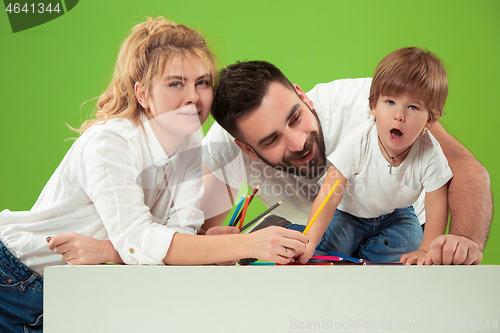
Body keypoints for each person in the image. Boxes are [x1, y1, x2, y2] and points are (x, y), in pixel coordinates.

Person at [0, 18, 307, 332]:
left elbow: (178, 234)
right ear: (143, 94)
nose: (194, 97)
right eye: (176, 84)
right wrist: (247, 245)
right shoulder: (110, 143)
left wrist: (113, 250)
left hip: (76, 288)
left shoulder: (188, 137)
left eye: (202, 82)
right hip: (14, 277)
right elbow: (138, 242)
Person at [202, 59, 491, 266]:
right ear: (246, 149)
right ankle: (292, 233)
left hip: (400, 227)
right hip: (332, 225)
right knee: (308, 254)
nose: (298, 143)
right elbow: (205, 239)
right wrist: (219, 249)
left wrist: (463, 244)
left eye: (295, 118)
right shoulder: (225, 145)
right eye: (270, 141)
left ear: (303, 96)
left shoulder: (377, 106)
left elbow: (468, 171)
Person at [287, 47, 453, 264]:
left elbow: (437, 207)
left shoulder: (430, 153)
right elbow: (329, 195)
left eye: (412, 107)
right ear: (373, 106)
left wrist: (425, 251)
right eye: (390, 102)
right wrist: (309, 241)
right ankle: (288, 232)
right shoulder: (359, 140)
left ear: (429, 120)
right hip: (350, 214)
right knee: (321, 250)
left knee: (411, 245)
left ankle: (359, 254)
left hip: (396, 215)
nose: (399, 115)